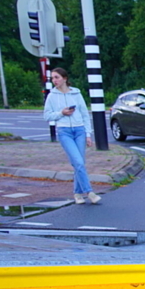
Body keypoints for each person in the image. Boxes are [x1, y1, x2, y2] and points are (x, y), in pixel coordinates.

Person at [43, 67, 100, 205]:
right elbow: (46, 116)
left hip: (79, 129)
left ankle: (77, 193)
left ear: (65, 78)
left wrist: (88, 134)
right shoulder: (52, 96)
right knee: (78, 162)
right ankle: (90, 192)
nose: (54, 80)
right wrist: (61, 113)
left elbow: (84, 114)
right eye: (52, 78)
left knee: (79, 163)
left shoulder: (76, 93)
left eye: (57, 77)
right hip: (64, 131)